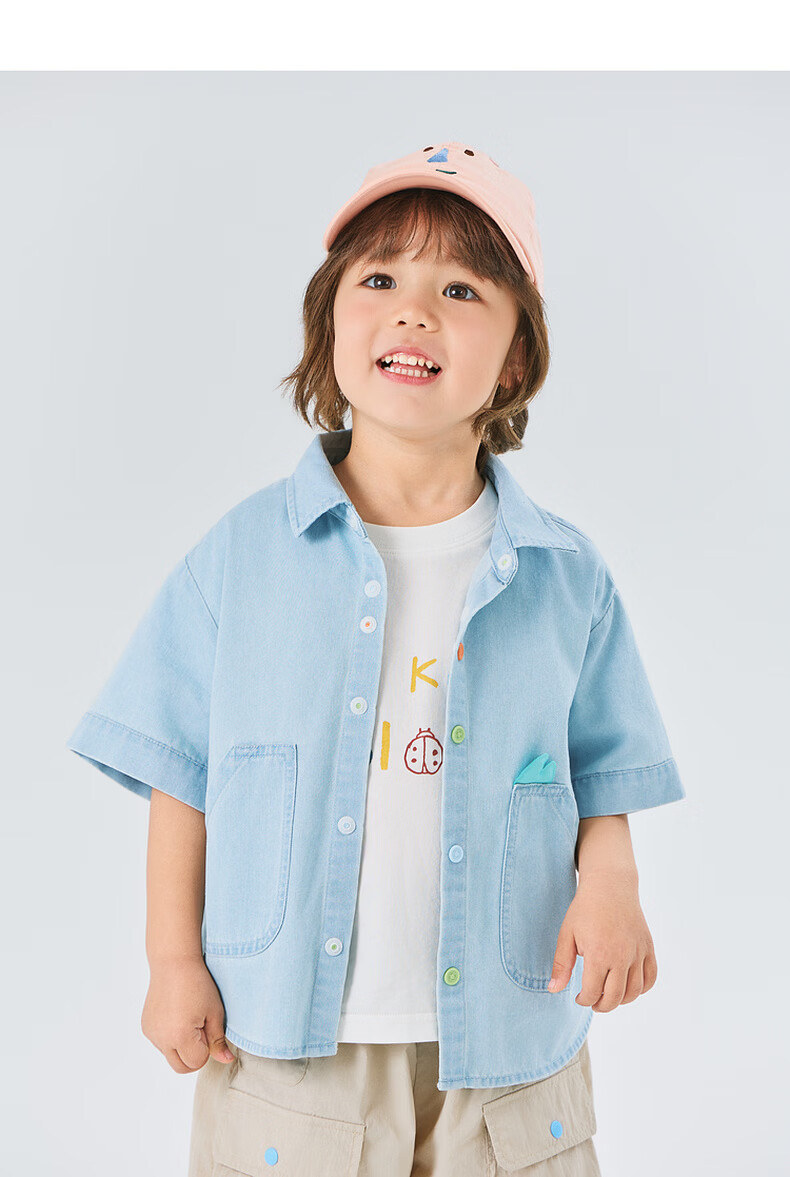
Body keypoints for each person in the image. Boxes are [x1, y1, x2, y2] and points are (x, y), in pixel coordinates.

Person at [66, 141, 686, 1176]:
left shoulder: (565, 575)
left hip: (510, 1045)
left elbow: (602, 767)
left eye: (460, 289)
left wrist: (612, 883)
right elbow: (183, 773)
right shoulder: (240, 559)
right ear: (329, 324)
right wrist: (171, 960)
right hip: (286, 1048)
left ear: (516, 358)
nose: (415, 312)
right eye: (380, 280)